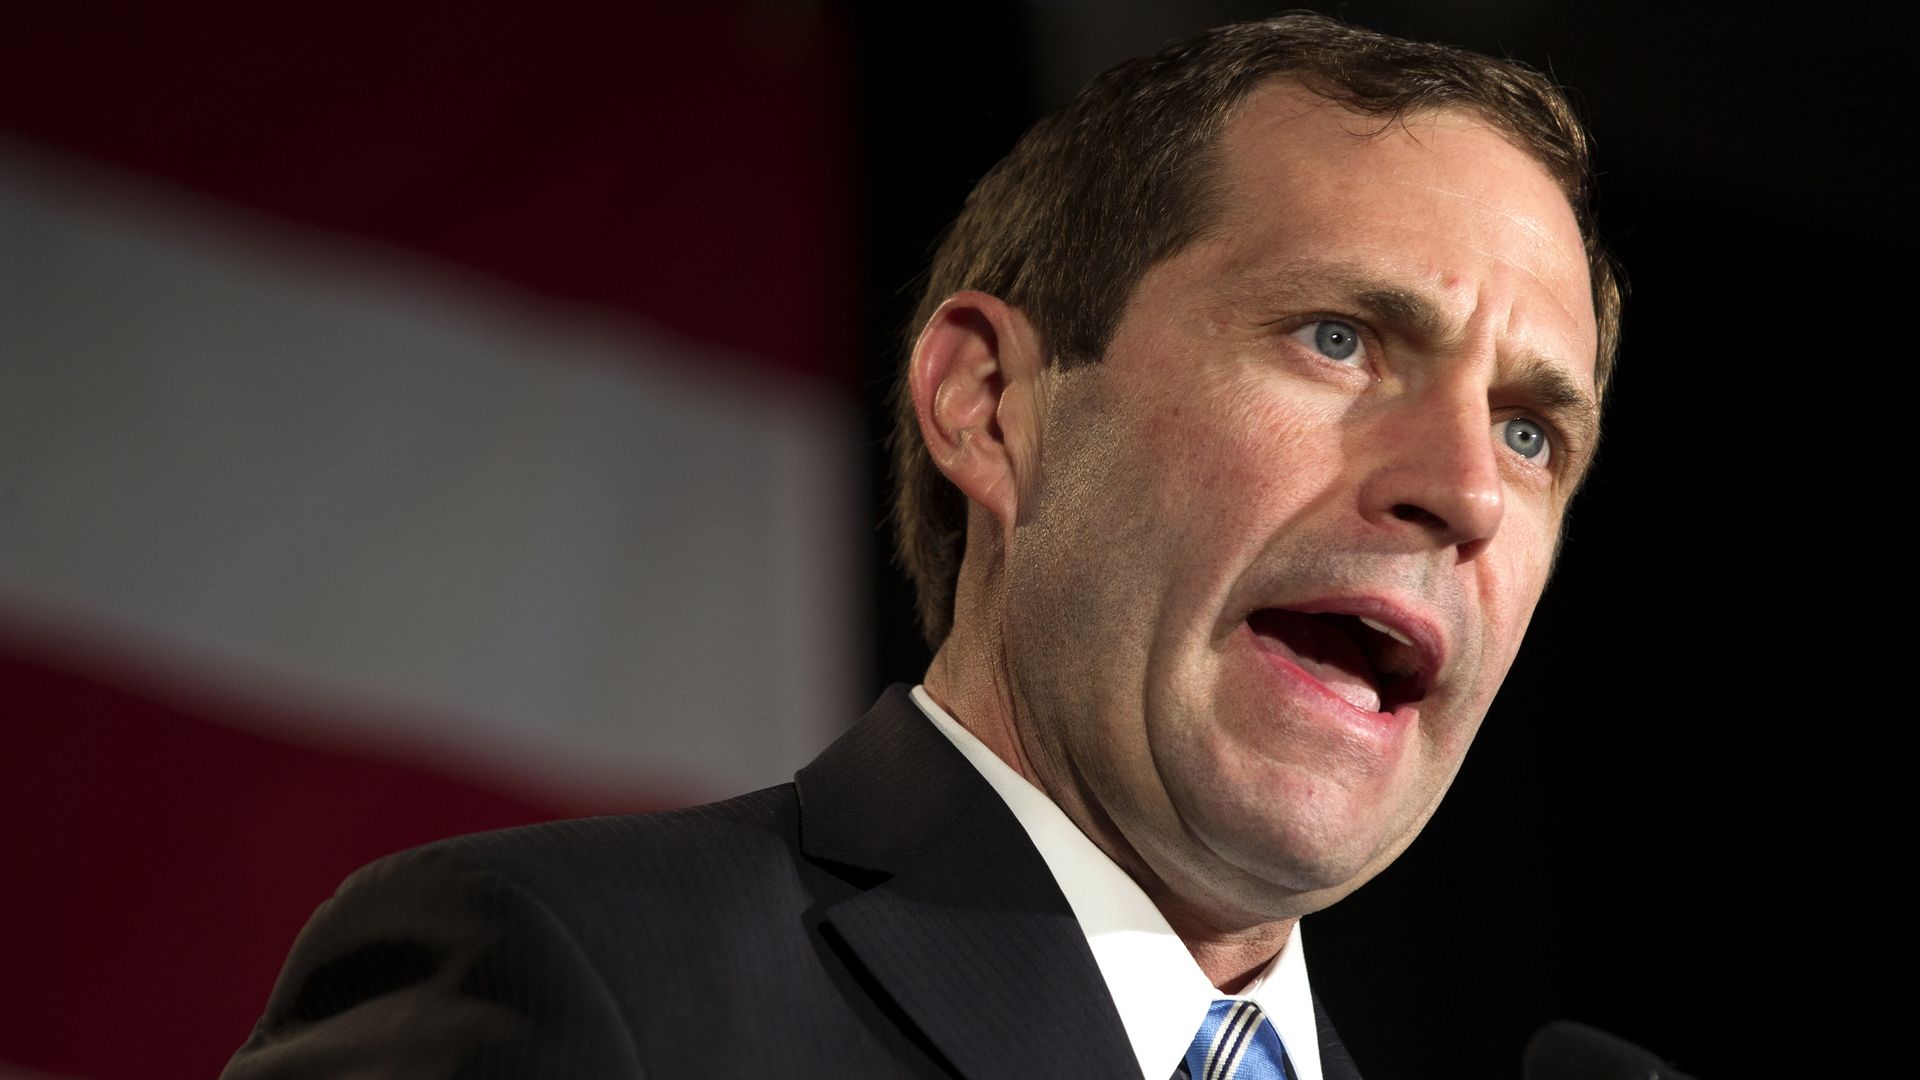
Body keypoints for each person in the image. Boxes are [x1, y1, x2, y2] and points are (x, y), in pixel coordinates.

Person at [225, 14, 1619, 1080]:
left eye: (1529, 432)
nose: (1464, 491)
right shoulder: (578, 985)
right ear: (992, 405)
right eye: (1339, 339)